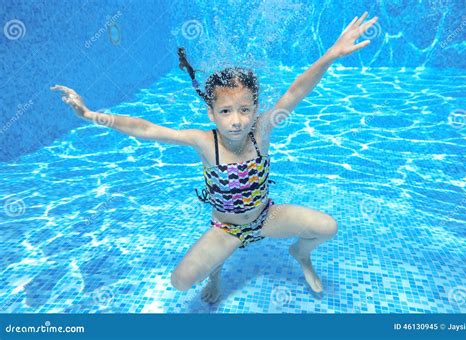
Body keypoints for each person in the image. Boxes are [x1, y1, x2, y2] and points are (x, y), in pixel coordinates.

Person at [51, 12, 378, 304]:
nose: (236, 120)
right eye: (225, 111)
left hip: (267, 217)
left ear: (256, 109)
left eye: (244, 109)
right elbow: (147, 128)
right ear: (211, 112)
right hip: (227, 229)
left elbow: (296, 91)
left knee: (327, 227)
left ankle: (300, 254)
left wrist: (331, 55)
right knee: (179, 282)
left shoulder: (262, 130)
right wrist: (92, 114)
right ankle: (216, 273)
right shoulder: (203, 142)